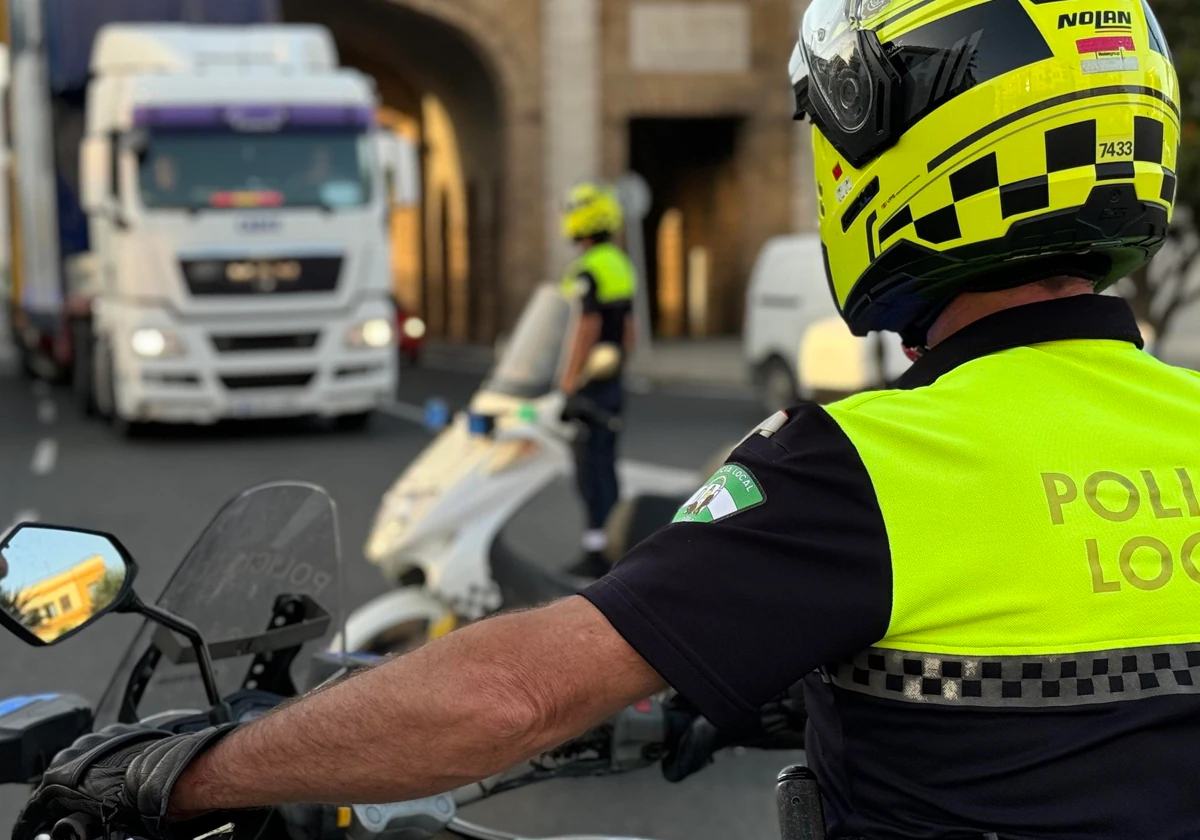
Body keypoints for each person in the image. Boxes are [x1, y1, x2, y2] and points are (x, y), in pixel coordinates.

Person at [15, 3, 1197, 839]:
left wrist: (187, 768)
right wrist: (784, 678)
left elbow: (507, 698)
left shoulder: (864, 466)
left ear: (891, 151)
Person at [557, 182, 637, 579]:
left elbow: (584, 326)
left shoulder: (588, 268)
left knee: (589, 470)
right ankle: (612, 545)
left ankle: (598, 555)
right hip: (611, 379)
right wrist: (618, 366)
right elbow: (627, 330)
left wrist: (569, 379)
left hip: (590, 383)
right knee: (606, 465)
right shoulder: (619, 263)